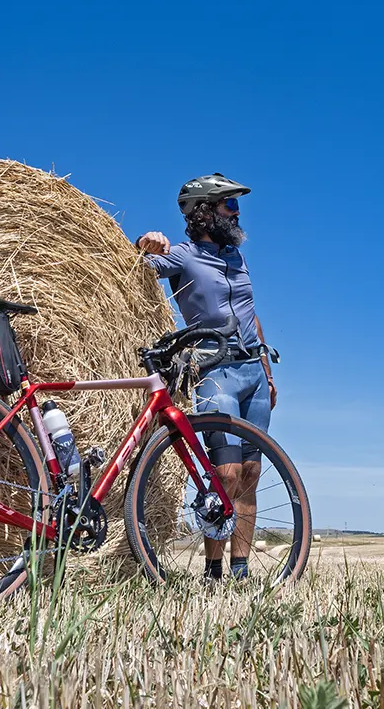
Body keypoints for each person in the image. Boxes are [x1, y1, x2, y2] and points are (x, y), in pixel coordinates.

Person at [135, 173, 276, 582]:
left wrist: (267, 372)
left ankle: (241, 570)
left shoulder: (237, 257)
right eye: (229, 205)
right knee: (226, 474)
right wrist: (145, 242)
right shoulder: (182, 256)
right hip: (216, 373)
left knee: (250, 475)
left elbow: (252, 315)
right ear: (204, 211)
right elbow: (137, 267)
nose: (236, 212)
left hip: (252, 372)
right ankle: (212, 570)